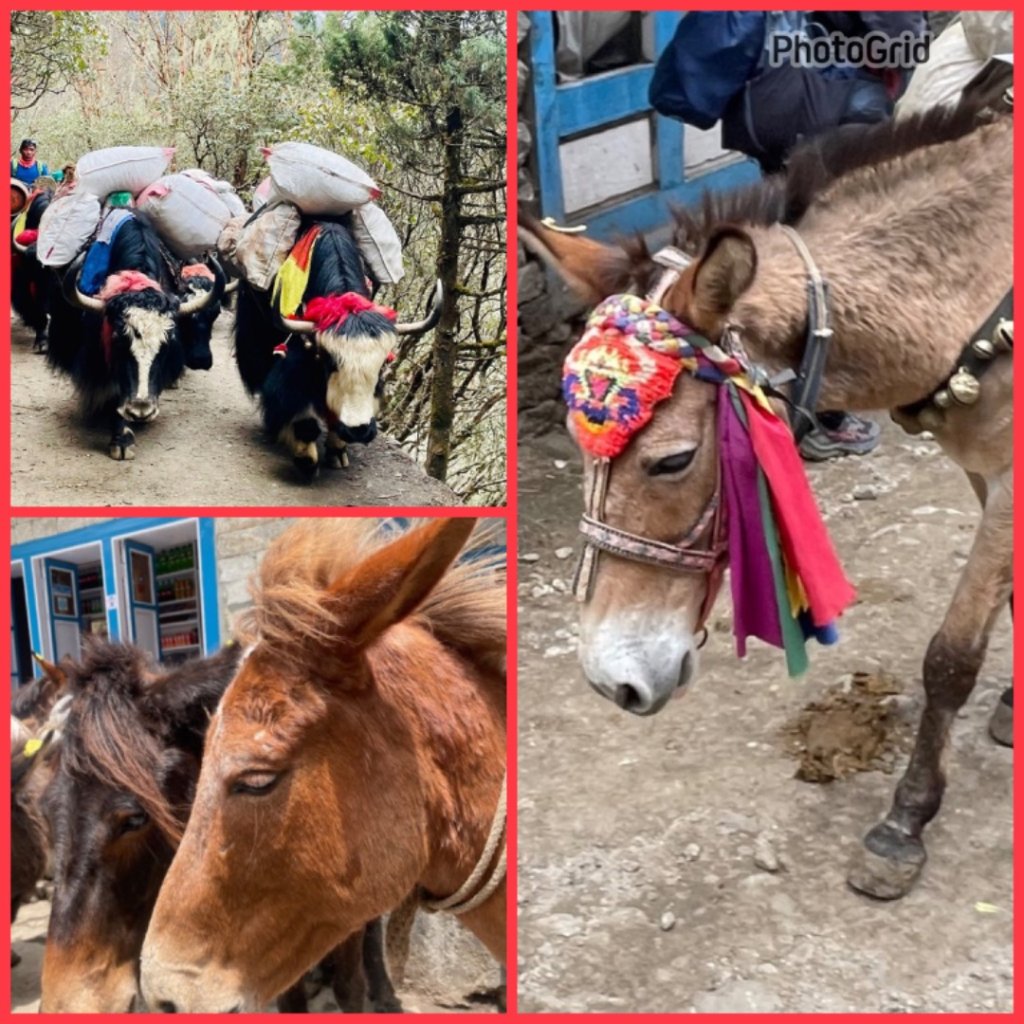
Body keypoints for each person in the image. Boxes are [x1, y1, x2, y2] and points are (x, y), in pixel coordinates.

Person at [652, 10, 928, 459]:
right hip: (836, 119)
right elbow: (900, 33)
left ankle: (769, 383)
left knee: (787, 243)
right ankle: (825, 415)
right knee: (832, 263)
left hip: (778, 112)